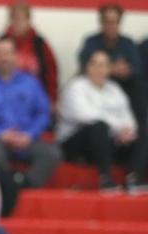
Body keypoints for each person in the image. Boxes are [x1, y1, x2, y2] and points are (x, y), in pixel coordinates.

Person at [0, 37, 61, 190]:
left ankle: (25, 185)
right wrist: (0, 133)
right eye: (0, 53)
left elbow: (43, 113)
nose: (4, 58)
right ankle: (6, 186)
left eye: (8, 53)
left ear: (16, 56)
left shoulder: (31, 82)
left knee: (52, 153)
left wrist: (29, 134)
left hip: (27, 138)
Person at [58, 49, 147, 192]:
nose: (99, 69)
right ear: (87, 66)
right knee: (99, 126)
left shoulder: (114, 89)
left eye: (104, 65)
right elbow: (86, 115)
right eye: (95, 64)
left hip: (109, 141)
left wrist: (128, 130)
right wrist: (119, 128)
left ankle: (135, 177)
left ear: (109, 69)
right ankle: (105, 179)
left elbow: (128, 116)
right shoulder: (76, 87)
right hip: (77, 144)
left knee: (142, 129)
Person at [78, 4, 146, 132]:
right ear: (101, 22)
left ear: (119, 23)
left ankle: (138, 133)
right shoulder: (91, 42)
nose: (110, 25)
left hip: (124, 86)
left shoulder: (128, 43)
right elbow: (84, 65)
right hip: (96, 86)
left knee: (140, 89)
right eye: (107, 22)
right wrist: (111, 69)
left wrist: (119, 70)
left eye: (114, 22)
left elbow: (137, 67)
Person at [1, 1, 59, 109]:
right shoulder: (1, 42)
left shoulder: (40, 44)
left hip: (35, 98)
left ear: (28, 20)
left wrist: (52, 99)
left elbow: (51, 74)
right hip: (6, 98)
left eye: (22, 19)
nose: (18, 23)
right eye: (14, 18)